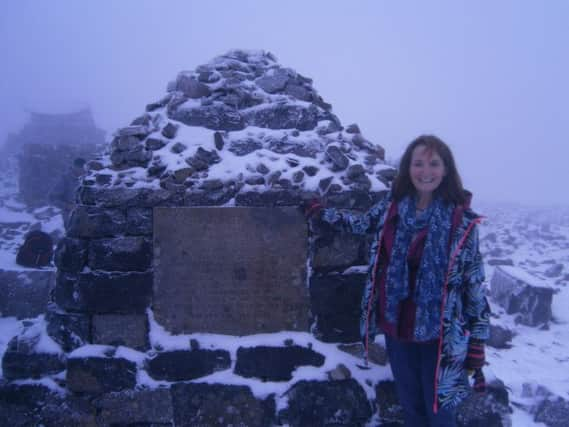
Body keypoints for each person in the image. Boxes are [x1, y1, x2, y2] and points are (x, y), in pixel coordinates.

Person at [308, 135, 490, 426]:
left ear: (445, 170)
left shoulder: (462, 222)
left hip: (440, 335)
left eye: (433, 163)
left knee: (440, 412)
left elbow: (473, 282)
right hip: (397, 326)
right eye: (418, 163)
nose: (425, 171)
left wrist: (479, 340)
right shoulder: (392, 208)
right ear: (408, 168)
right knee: (411, 406)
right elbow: (362, 223)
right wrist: (323, 215)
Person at [48, 157, 86, 228]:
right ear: (74, 167)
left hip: (87, 218)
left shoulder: (89, 177)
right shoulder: (64, 179)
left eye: (83, 167)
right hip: (71, 218)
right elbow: (52, 197)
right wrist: (67, 206)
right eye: (79, 167)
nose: (82, 170)